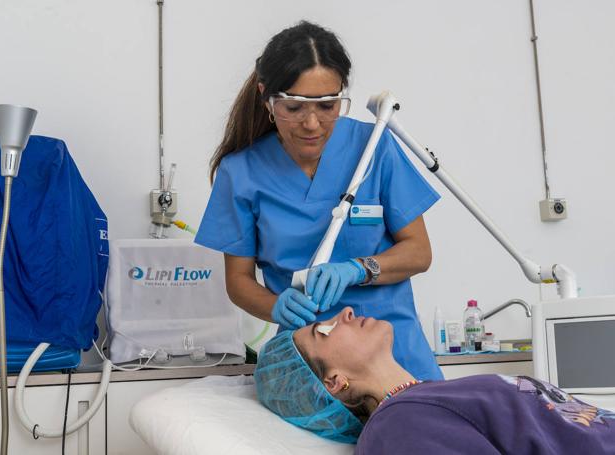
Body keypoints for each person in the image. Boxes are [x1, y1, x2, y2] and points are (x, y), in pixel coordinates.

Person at [195, 20, 442, 380]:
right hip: (311, 359)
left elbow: (419, 252)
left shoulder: (374, 146)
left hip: (393, 349)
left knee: (427, 426)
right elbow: (239, 281)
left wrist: (358, 268)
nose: (312, 123)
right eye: (294, 108)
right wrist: (277, 305)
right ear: (267, 97)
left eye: (328, 106)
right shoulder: (241, 173)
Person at [254, 307, 615, 454]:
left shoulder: (426, 400)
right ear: (334, 381)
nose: (346, 311)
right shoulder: (399, 425)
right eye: (325, 329)